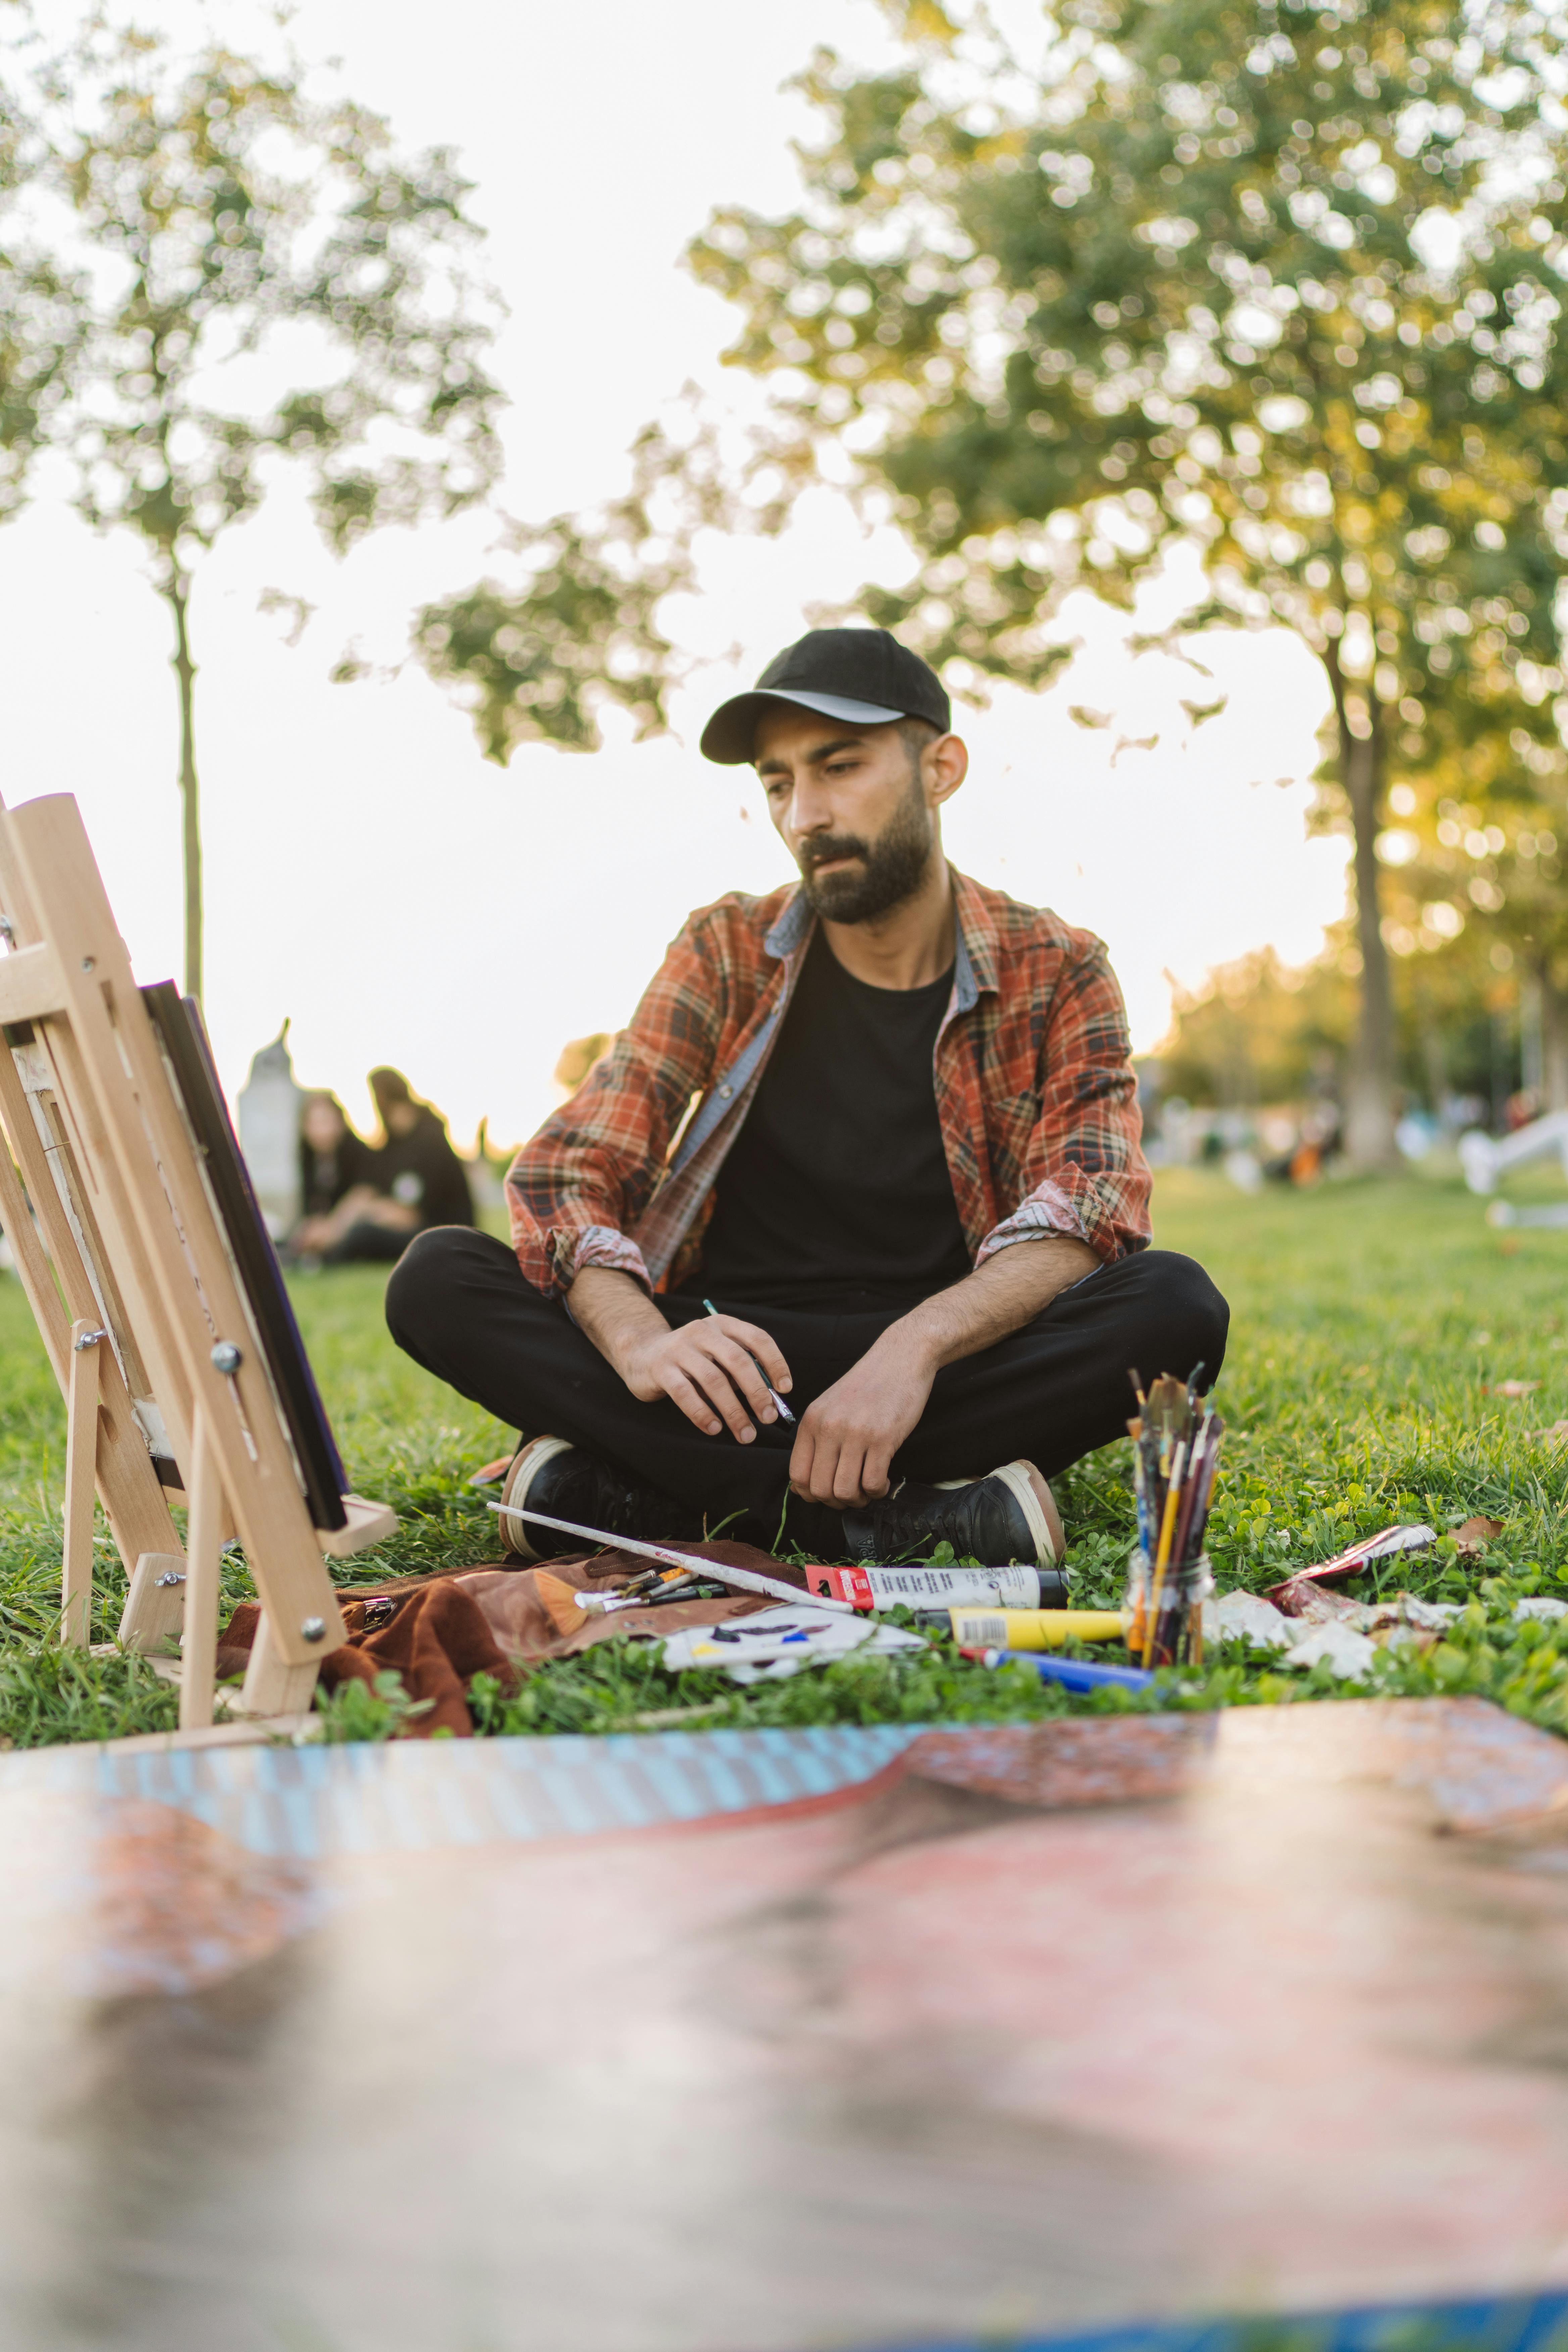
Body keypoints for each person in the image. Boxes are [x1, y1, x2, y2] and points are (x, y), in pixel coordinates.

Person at [387, 626, 1228, 1567]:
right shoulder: (725, 948)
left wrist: (910, 1352)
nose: (805, 815)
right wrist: (638, 1345)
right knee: (438, 1277)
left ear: (940, 767)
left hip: (941, 1357)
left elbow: (1090, 1205)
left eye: (838, 767)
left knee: (1176, 1305)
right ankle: (886, 1515)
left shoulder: (1060, 966)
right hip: (728, 1353)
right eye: (779, 783)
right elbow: (571, 1169)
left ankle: (650, 1488)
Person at [293, 1072, 474, 1266]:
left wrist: (368, 1213)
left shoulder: (429, 1141)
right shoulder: (391, 1146)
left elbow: (409, 1216)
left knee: (364, 1234)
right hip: (414, 1232)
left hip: (443, 1236)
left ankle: (321, 1262)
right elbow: (367, 1192)